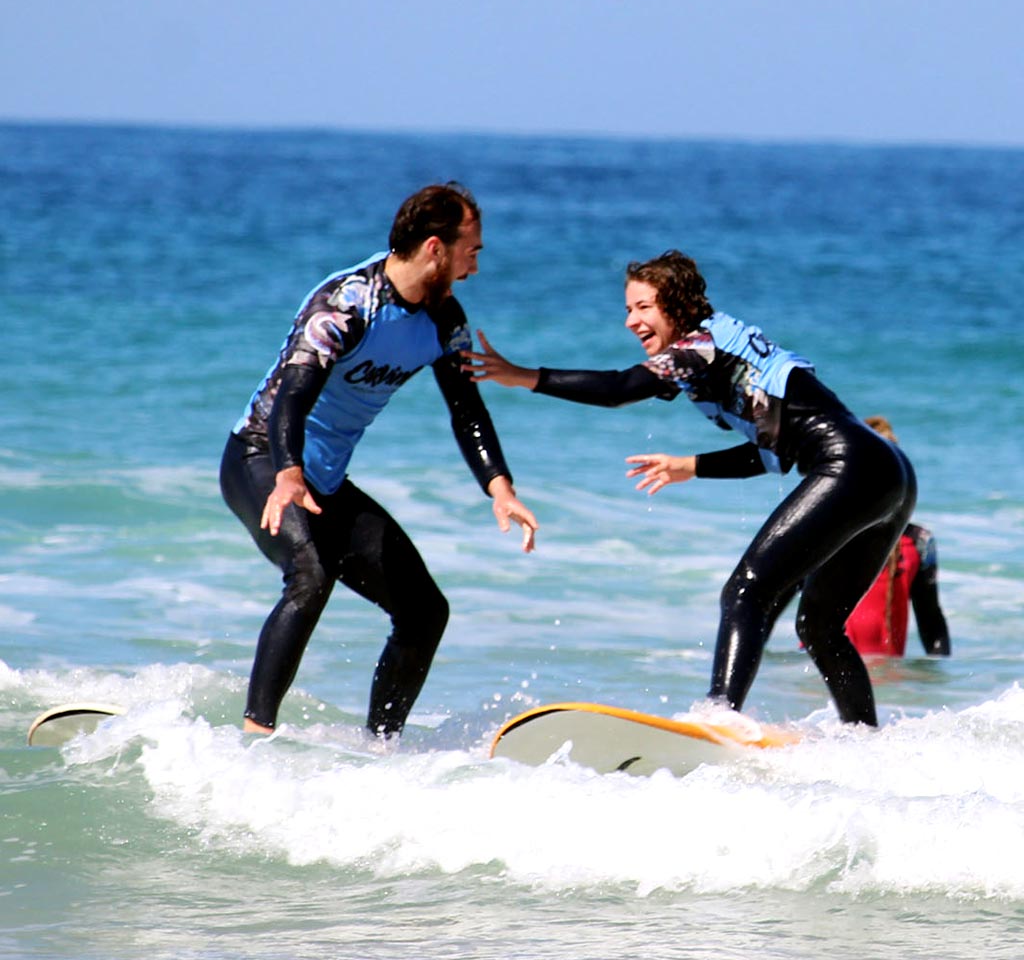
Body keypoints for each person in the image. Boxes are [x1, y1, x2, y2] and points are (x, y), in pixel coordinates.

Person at [464, 249, 916, 726]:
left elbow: (620, 388)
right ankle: (865, 741)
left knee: (745, 592)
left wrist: (523, 376)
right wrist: (692, 465)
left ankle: (718, 716)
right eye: (627, 309)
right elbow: (776, 451)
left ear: (676, 306)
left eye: (643, 307)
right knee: (819, 626)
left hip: (849, 465)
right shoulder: (712, 356)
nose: (630, 321)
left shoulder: (700, 346)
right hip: (888, 475)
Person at [221, 183, 539, 739]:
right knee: (310, 576)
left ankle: (378, 750)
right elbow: (293, 394)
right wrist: (288, 474)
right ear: (436, 248)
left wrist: (499, 486)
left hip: (325, 481)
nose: (475, 266)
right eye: (473, 250)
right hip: (263, 457)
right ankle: (255, 736)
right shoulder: (345, 303)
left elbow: (466, 408)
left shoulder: (443, 319)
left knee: (424, 612)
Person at [840, 416, 950, 657]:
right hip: (816, 681)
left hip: (892, 687)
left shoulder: (919, 542)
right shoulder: (827, 533)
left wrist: (943, 686)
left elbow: (931, 625)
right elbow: (768, 611)